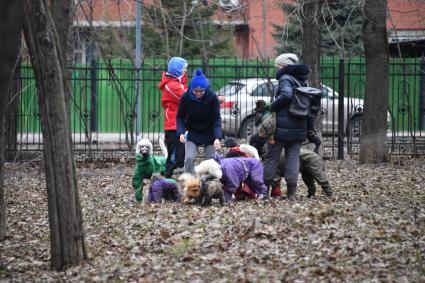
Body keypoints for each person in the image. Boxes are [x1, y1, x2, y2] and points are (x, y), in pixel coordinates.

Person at [262, 53, 319, 200]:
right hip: (299, 125)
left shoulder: (285, 78)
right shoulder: (303, 81)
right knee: (293, 158)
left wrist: (272, 107)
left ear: (284, 66)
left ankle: (264, 192)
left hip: (280, 128)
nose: (276, 67)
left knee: (271, 158)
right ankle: (292, 193)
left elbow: (286, 95)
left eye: (278, 65)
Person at [176, 69, 222, 174]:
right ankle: (189, 182)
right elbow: (180, 117)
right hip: (192, 131)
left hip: (209, 131)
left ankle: (207, 184)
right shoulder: (186, 97)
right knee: (189, 158)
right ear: (192, 88)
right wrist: (181, 132)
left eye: (201, 91)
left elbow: (216, 119)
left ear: (205, 89)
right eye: (196, 90)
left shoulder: (212, 97)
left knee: (211, 161)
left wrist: (217, 138)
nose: (198, 93)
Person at [158, 57, 188, 178]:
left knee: (179, 158)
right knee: (174, 158)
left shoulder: (179, 84)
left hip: (179, 126)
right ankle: (164, 180)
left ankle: (167, 179)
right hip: (173, 127)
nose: (186, 71)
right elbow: (188, 98)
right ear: (178, 70)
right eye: (184, 69)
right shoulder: (171, 86)